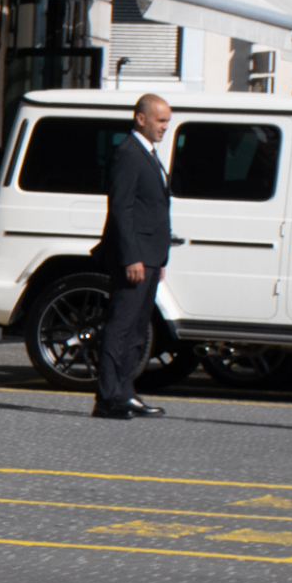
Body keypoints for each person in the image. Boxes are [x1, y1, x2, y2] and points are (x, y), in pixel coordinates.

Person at [93, 92, 174, 421]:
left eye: (167, 120)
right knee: (121, 326)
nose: (165, 127)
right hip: (134, 257)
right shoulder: (128, 153)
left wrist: (160, 257)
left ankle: (125, 391)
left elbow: (152, 208)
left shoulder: (149, 154)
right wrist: (132, 257)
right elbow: (122, 209)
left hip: (150, 257)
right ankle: (108, 395)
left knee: (139, 329)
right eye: (160, 120)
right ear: (141, 118)